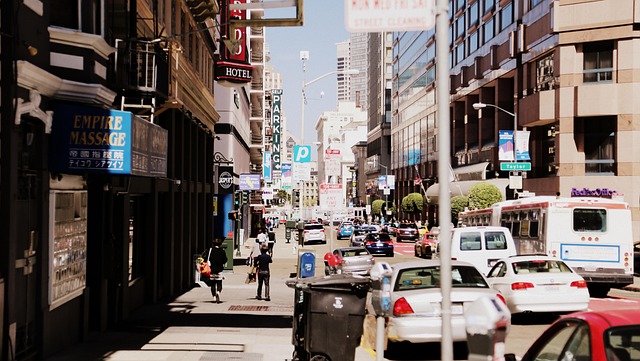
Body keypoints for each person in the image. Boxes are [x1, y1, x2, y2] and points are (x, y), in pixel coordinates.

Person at [206, 238, 228, 303]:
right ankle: (218, 293)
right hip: (219, 270)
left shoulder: (210, 250)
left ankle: (214, 297)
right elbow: (225, 260)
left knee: (212, 284)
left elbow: (206, 258)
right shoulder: (222, 251)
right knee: (219, 283)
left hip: (212, 270)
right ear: (220, 244)